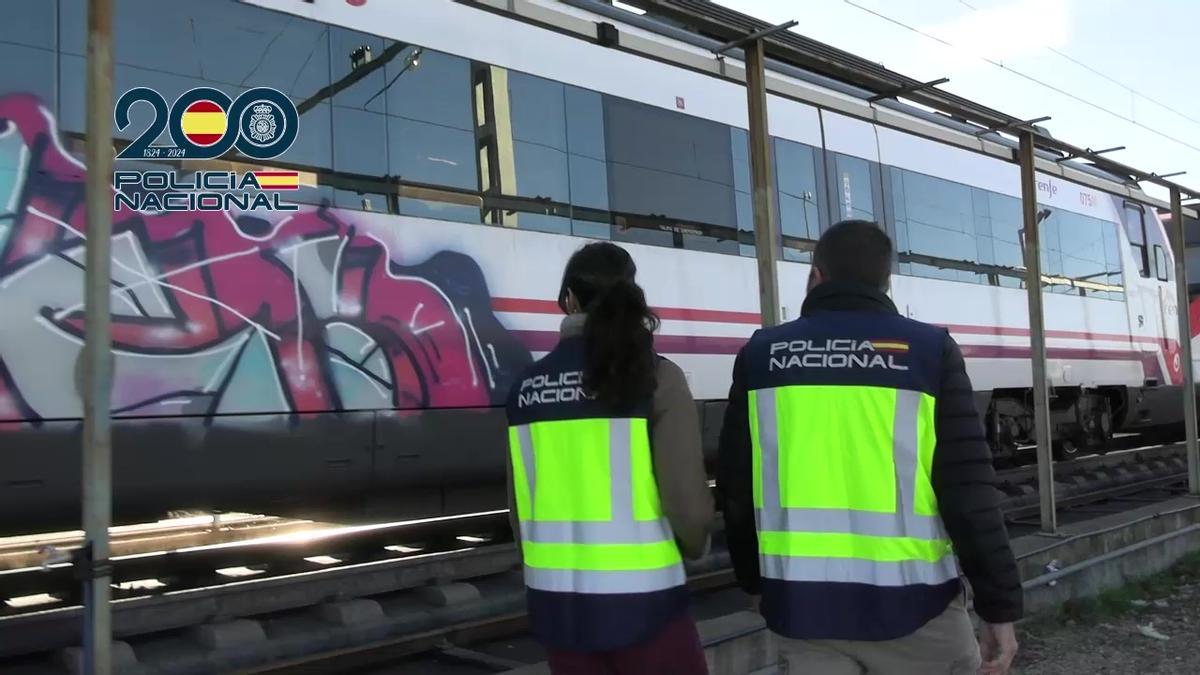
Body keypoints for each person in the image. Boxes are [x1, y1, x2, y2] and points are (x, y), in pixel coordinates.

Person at [717, 220, 1023, 675]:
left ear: (815, 275)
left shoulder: (763, 354)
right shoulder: (927, 350)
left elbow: (737, 487)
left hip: (802, 611)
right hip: (917, 612)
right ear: (887, 281)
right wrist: (998, 607)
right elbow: (968, 492)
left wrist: (755, 582)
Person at [505, 241, 714, 674]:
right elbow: (686, 501)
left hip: (560, 610)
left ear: (569, 301)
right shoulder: (656, 377)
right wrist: (696, 545)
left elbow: (518, 506)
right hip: (647, 608)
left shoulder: (526, 387)